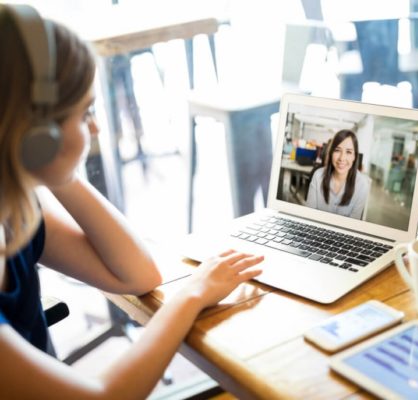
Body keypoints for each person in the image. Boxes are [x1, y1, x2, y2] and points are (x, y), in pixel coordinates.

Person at [0, 4, 263, 399]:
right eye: (85, 112)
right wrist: (193, 293)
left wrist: (60, 171)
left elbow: (136, 274)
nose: (96, 127)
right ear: (39, 132)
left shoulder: (17, 214)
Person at [306, 129, 370, 219]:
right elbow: (309, 214)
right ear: (331, 153)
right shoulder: (318, 176)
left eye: (348, 152)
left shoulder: (362, 185)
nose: (342, 158)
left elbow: (353, 224)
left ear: (354, 156)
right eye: (337, 150)